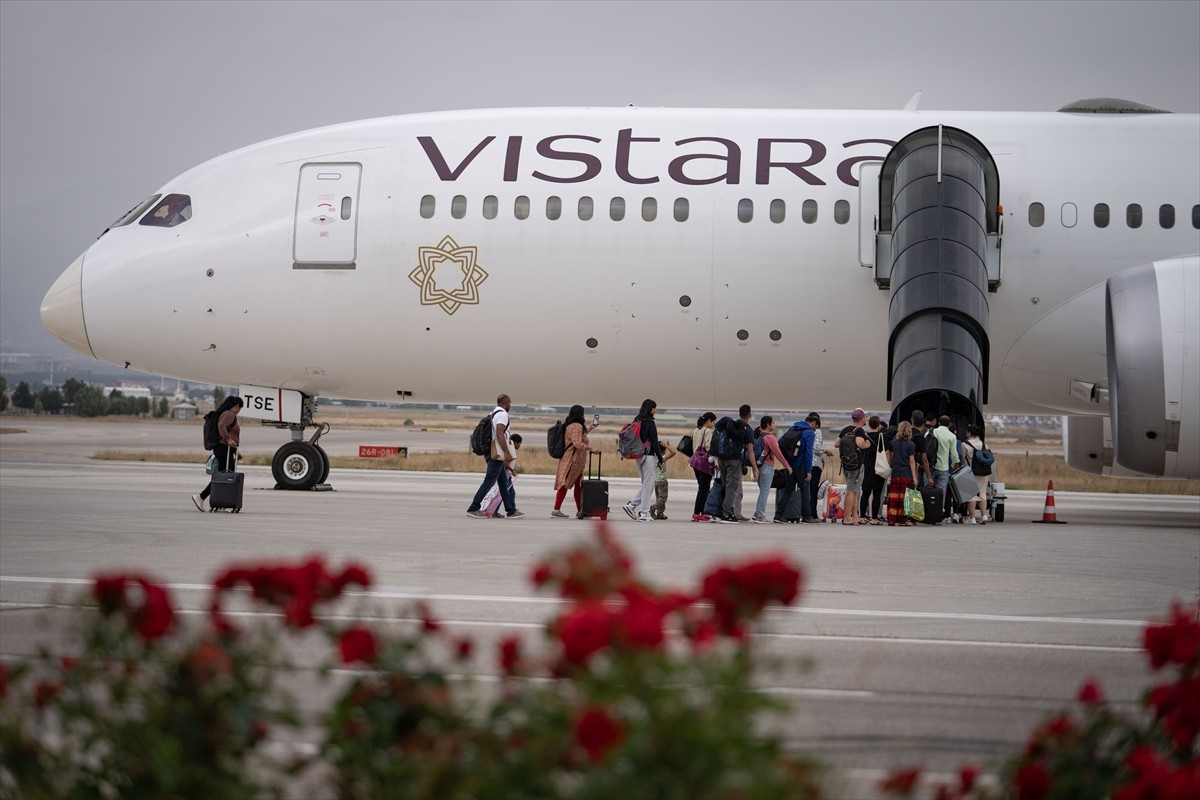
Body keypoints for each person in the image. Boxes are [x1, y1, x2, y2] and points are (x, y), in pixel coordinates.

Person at [467, 394, 523, 519]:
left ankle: (511, 510)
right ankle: (473, 508)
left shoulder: (492, 413)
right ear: (505, 402)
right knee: (489, 482)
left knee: (503, 483)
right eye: (509, 403)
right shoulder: (502, 414)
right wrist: (506, 451)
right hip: (496, 454)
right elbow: (499, 433)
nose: (510, 405)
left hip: (492, 452)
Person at [193, 396, 243, 512]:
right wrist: (228, 440)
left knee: (224, 475)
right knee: (224, 476)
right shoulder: (229, 414)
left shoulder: (225, 413)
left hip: (225, 448)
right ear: (236, 406)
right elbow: (221, 426)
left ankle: (221, 503)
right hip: (224, 448)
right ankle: (201, 496)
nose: (239, 410)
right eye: (240, 407)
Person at [552, 405, 601, 518]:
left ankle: (580, 510)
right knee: (565, 484)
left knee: (578, 486)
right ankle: (557, 509)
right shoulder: (577, 426)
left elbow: (578, 438)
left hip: (574, 461)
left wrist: (590, 428)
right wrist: (591, 449)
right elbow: (577, 443)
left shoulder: (570, 425)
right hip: (572, 461)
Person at [622, 399, 663, 523]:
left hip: (638, 454)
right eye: (654, 408)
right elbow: (654, 442)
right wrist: (660, 458)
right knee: (648, 484)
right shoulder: (650, 423)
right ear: (651, 409)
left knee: (646, 484)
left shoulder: (637, 420)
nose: (655, 410)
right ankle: (643, 512)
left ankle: (632, 505)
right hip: (648, 455)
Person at [718, 405, 758, 524]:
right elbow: (750, 450)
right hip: (734, 460)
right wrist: (755, 467)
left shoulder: (730, 425)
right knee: (732, 486)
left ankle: (726, 510)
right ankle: (727, 513)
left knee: (726, 485)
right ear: (749, 415)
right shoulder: (747, 429)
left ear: (739, 414)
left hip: (722, 458)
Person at [774, 416, 815, 523]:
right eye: (816, 426)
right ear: (813, 423)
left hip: (790, 465)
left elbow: (781, 443)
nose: (815, 429)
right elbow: (809, 453)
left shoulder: (793, 428)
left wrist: (787, 461)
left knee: (787, 491)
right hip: (801, 466)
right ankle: (806, 516)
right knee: (805, 491)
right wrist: (809, 470)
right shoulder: (809, 433)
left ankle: (778, 515)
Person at [752, 415, 791, 523]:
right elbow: (778, 453)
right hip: (766, 467)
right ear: (768, 425)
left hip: (757, 466)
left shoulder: (757, 435)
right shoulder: (770, 437)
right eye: (773, 423)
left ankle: (757, 513)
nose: (775, 425)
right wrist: (787, 466)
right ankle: (760, 516)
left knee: (762, 491)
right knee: (765, 492)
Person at [836, 409, 871, 525]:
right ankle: (847, 517)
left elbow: (836, 443)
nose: (866, 419)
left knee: (855, 490)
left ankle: (855, 516)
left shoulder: (845, 429)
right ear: (862, 418)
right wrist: (867, 444)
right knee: (851, 490)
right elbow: (860, 443)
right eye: (865, 417)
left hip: (846, 464)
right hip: (857, 465)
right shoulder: (859, 431)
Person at [886, 421, 918, 526]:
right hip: (906, 473)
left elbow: (890, 459)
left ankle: (892, 518)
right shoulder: (911, 445)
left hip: (895, 471)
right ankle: (902, 520)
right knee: (904, 497)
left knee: (894, 495)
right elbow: (912, 461)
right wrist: (914, 477)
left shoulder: (892, 443)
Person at [482, 434, 522, 517]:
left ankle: (507, 510)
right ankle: (510, 510)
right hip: (506, 476)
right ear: (515, 443)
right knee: (507, 494)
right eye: (519, 443)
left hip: (508, 476)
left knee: (505, 494)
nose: (519, 446)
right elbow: (504, 462)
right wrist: (512, 470)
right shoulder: (510, 451)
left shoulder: (510, 450)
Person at [859, 414, 887, 524]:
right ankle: (874, 518)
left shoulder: (864, 436)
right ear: (879, 425)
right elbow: (887, 451)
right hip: (879, 466)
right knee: (877, 493)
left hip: (867, 466)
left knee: (865, 493)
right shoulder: (882, 436)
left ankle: (862, 516)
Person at [960, 423, 991, 524]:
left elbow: (962, 459)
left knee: (971, 495)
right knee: (982, 494)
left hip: (970, 472)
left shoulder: (964, 444)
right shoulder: (983, 444)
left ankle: (972, 518)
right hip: (984, 473)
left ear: (969, 433)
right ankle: (984, 515)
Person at [931, 415, 959, 524]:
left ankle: (927, 512)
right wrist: (955, 466)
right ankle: (938, 514)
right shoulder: (952, 436)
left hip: (931, 466)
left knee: (928, 489)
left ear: (938, 423)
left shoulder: (933, 432)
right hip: (944, 467)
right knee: (941, 492)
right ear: (949, 424)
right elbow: (954, 454)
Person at [690, 412, 717, 522]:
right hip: (704, 463)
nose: (713, 424)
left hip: (696, 462)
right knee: (704, 488)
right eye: (713, 421)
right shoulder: (708, 431)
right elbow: (708, 446)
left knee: (701, 487)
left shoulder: (696, 430)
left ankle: (700, 512)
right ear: (709, 421)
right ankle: (699, 513)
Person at [805, 412, 832, 523]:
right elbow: (816, 448)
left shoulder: (803, 431)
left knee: (806, 490)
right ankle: (813, 514)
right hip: (815, 464)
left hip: (805, 463)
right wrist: (826, 451)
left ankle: (805, 514)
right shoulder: (817, 431)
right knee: (813, 490)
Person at [650, 439, 679, 520]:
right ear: (663, 451)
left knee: (659, 498)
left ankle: (660, 513)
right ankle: (654, 507)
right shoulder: (662, 458)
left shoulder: (653, 458)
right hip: (662, 481)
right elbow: (673, 452)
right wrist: (667, 445)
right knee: (663, 498)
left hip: (655, 481)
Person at [910, 410, 935, 489]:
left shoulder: (905, 434)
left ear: (912, 420)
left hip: (899, 469)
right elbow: (924, 459)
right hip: (913, 469)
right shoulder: (920, 437)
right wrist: (929, 477)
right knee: (912, 492)